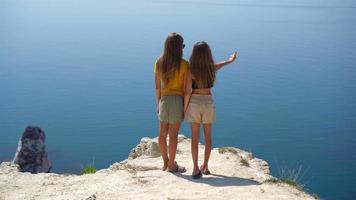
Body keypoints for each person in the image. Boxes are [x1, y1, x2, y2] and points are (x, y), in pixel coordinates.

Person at [184, 41, 238, 179]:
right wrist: (231, 60)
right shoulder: (211, 68)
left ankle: (195, 169)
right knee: (208, 138)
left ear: (194, 54)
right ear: (208, 53)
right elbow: (222, 64)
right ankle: (206, 166)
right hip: (208, 102)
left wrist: (184, 109)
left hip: (194, 103)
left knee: (194, 139)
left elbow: (188, 91)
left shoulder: (190, 70)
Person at [154, 32, 190, 172]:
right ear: (179, 48)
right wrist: (185, 108)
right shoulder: (184, 64)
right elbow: (187, 90)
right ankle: (171, 165)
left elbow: (158, 87)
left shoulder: (159, 62)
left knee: (162, 134)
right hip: (177, 101)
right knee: (173, 135)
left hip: (164, 100)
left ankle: (165, 163)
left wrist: (158, 104)